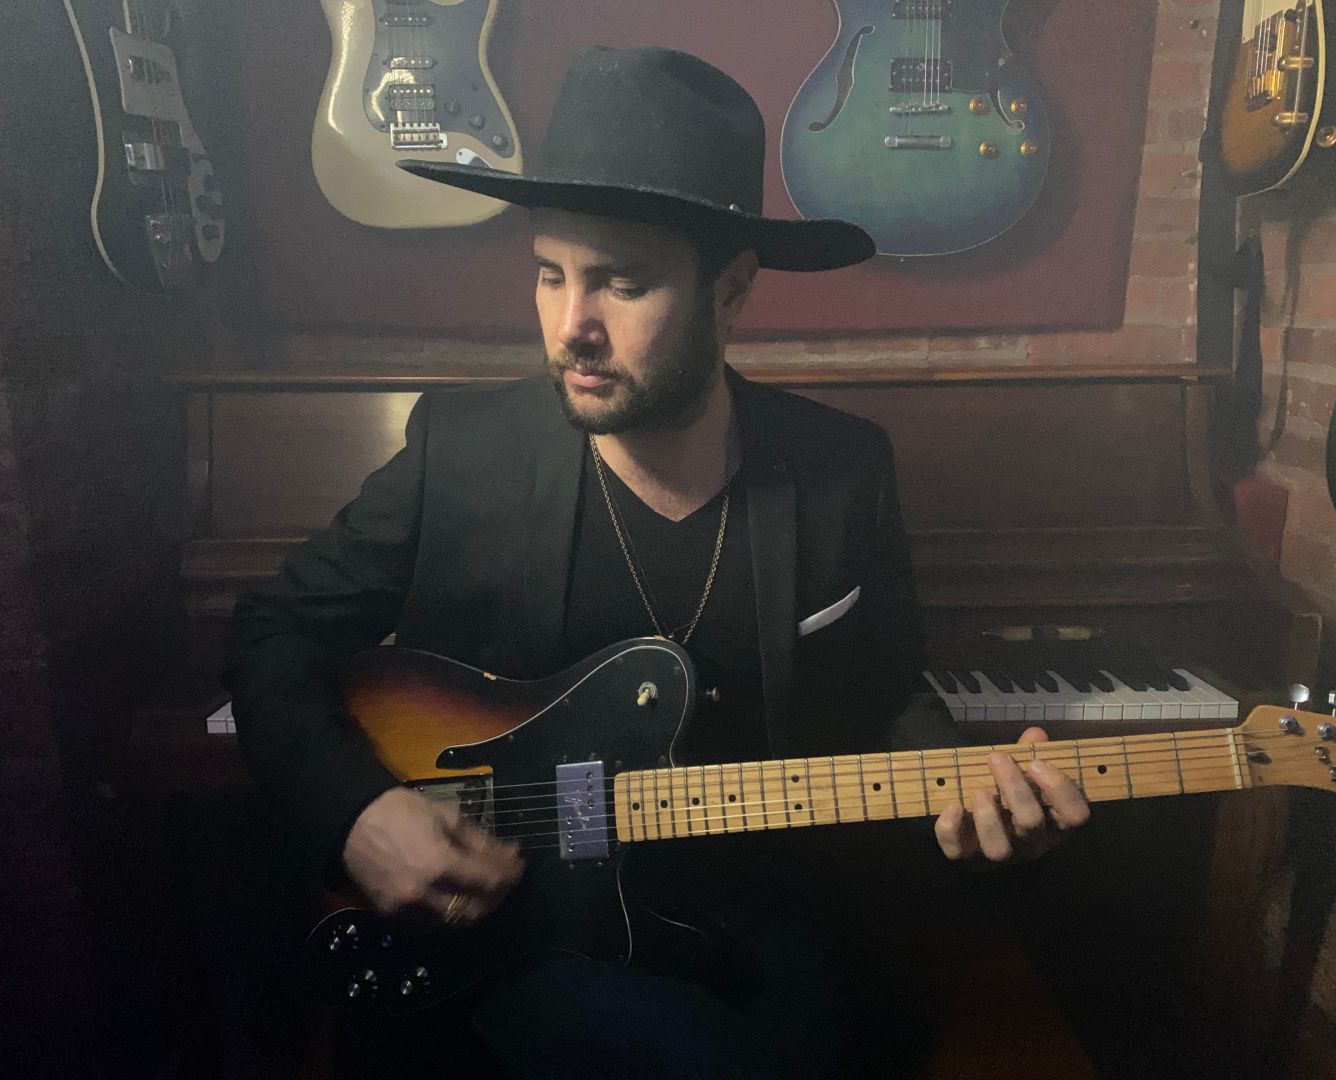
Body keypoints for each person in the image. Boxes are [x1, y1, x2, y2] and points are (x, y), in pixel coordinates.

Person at [223, 45, 1090, 1080]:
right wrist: (359, 812)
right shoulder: (461, 451)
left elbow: (888, 687)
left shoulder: (840, 466)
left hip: (754, 915)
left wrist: (969, 799)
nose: (571, 329)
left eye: (622, 284)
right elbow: (273, 632)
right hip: (517, 933)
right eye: (550, 275)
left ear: (731, 291)